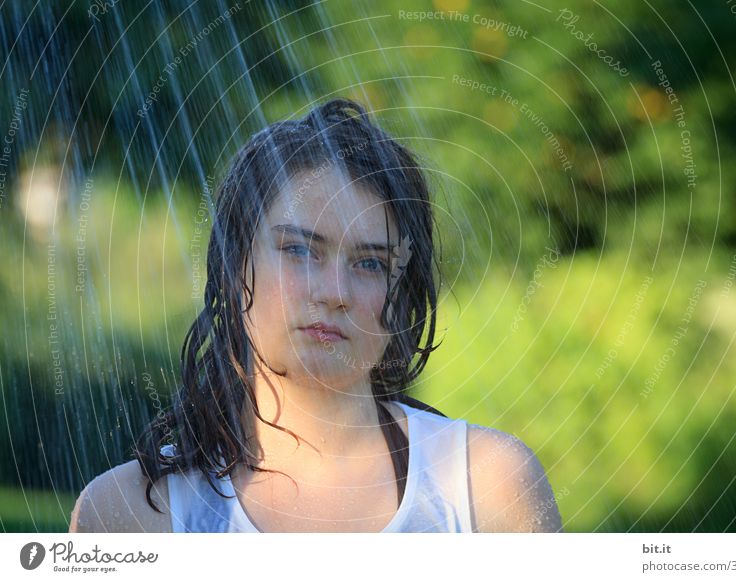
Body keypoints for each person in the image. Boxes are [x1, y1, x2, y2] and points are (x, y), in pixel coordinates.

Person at [69, 98, 563, 533]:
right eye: (301, 250)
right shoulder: (129, 515)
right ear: (234, 262)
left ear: (400, 286)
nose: (335, 293)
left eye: (370, 262)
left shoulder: (487, 491)